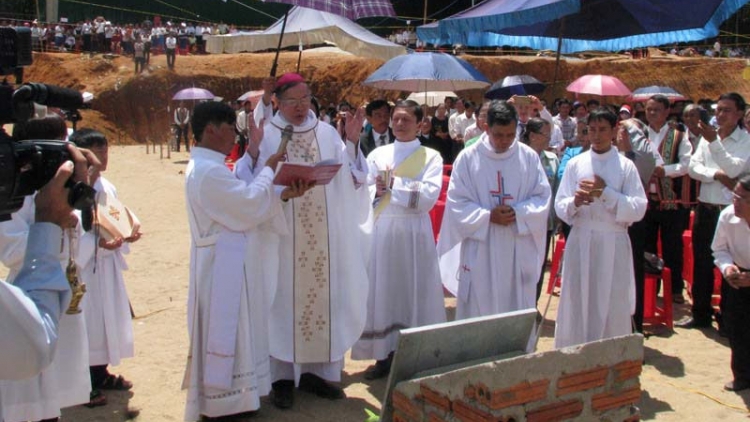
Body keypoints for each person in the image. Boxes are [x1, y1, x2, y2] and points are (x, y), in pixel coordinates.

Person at [182, 101, 309, 421]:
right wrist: (269, 168)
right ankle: (223, 404)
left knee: (236, 331)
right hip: (221, 264)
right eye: (229, 129)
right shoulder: (208, 171)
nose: (234, 137)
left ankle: (237, 399)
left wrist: (281, 194)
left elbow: (241, 202)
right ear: (210, 130)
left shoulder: (208, 165)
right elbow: (248, 203)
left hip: (226, 256)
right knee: (226, 331)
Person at [253, 73, 371, 409]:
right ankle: (282, 379)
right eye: (293, 101)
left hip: (324, 236)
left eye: (306, 99)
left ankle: (320, 373)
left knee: (324, 296)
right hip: (282, 232)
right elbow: (254, 181)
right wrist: (282, 192)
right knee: (282, 299)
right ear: (277, 101)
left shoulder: (327, 132)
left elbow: (348, 177)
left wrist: (350, 143)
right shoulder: (268, 134)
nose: (302, 106)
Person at [0, 118, 96, 422]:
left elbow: (80, 244)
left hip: (55, 291)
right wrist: (48, 225)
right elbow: (12, 251)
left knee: (56, 389)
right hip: (25, 293)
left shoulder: (56, 192)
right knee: (30, 389)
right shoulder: (11, 194)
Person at [351, 100, 446, 380]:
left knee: (411, 290)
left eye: (407, 119)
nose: (400, 124)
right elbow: (363, 188)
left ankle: (413, 355)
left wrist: (393, 184)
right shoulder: (378, 154)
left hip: (413, 233)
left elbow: (428, 196)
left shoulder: (431, 157)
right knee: (384, 291)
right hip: (382, 229)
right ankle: (383, 355)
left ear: (420, 124)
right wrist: (376, 189)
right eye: (396, 119)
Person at [437, 100, 551, 321]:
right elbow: (456, 202)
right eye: (499, 135)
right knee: (480, 311)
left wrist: (518, 212)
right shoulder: (468, 158)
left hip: (516, 245)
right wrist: (488, 216)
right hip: (482, 246)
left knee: (514, 307)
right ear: (486, 127)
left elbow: (542, 198)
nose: (505, 141)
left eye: (510, 135)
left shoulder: (528, 157)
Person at [553, 107, 647, 349]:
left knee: (610, 299)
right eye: (591, 129)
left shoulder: (626, 166)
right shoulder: (576, 163)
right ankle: (573, 353)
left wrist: (605, 192)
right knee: (578, 296)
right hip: (582, 236)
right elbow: (560, 203)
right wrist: (575, 202)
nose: (596, 135)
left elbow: (638, 208)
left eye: (603, 129)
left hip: (612, 240)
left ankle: (609, 356)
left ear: (615, 130)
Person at [69, 129, 141, 400]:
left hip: (106, 266)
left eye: (106, 151)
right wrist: (95, 244)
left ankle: (100, 372)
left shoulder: (106, 186)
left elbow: (114, 216)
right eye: (97, 153)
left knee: (105, 320)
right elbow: (71, 229)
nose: (103, 157)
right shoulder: (70, 188)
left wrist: (128, 229)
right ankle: (81, 383)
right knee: (85, 322)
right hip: (84, 267)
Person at [683, 93, 750, 330]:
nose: (720, 115)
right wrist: (716, 175)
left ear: (740, 113)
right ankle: (700, 313)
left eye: (727, 110)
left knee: (729, 264)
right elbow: (693, 167)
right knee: (702, 263)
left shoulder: (745, 141)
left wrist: (714, 144)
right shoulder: (708, 137)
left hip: (731, 212)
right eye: (718, 110)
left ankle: (727, 317)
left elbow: (734, 169)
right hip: (706, 206)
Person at [642, 95, 693, 304]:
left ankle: (674, 291)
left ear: (666, 112)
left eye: (656, 110)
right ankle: (650, 288)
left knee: (672, 246)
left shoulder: (679, 135)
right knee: (647, 246)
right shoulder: (639, 134)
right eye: (648, 109)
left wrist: (666, 171)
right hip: (645, 201)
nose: (651, 113)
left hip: (670, 201)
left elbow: (686, 164)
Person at [713, 174, 750, 392]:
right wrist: (727, 268)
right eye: (734, 196)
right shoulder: (727, 217)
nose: (735, 201)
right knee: (737, 328)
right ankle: (742, 376)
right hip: (737, 276)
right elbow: (719, 249)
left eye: (742, 198)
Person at [521, 118, 559, 304]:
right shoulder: (519, 158)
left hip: (545, 225)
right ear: (533, 136)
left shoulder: (552, 160)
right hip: (521, 223)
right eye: (546, 134)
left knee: (538, 266)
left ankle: (532, 306)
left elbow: (556, 190)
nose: (549, 138)